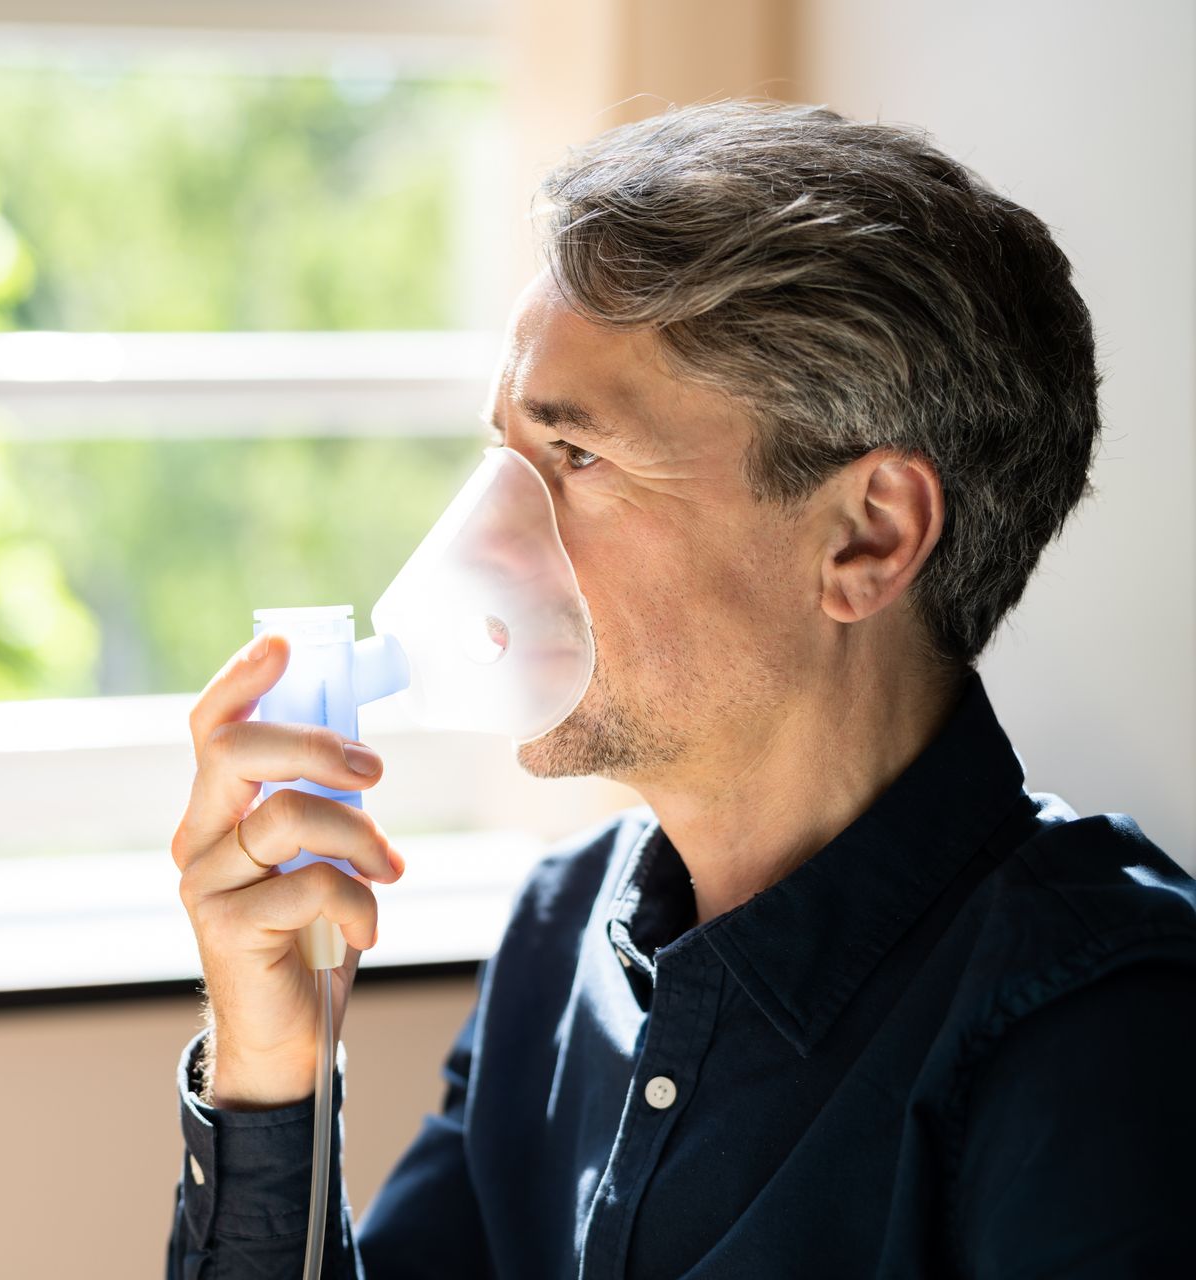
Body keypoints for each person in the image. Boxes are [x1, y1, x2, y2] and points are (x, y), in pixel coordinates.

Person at [164, 100, 1196, 1279]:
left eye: (578, 456)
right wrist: (267, 1060)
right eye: (503, 459)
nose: (484, 543)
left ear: (868, 534)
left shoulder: (1105, 1032)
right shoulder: (563, 938)